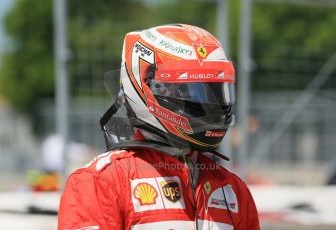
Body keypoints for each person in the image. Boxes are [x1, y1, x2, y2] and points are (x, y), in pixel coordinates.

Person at [58, 24, 260, 230]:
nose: (210, 104)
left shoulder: (233, 190)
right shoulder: (101, 183)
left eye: (215, 91)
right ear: (149, 86)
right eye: (194, 92)